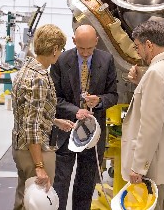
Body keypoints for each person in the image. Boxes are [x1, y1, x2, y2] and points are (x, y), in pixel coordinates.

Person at [123, 20, 164, 210]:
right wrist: (142, 83)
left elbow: (150, 126)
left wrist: (138, 166)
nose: (137, 52)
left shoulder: (155, 73)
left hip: (156, 163)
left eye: (138, 47)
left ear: (149, 45)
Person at [50, 24, 118, 210]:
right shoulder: (61, 61)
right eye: (81, 49)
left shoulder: (107, 60)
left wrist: (99, 101)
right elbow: (54, 98)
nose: (86, 53)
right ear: (74, 41)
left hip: (92, 134)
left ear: (97, 41)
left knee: (85, 184)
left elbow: (113, 95)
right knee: (60, 183)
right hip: (66, 130)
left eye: (90, 48)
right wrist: (75, 111)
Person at [11, 24, 74, 210]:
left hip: (20, 147)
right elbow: (32, 125)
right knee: (39, 204)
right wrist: (39, 165)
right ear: (55, 49)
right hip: (35, 151)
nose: (61, 53)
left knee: (24, 201)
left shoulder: (26, 69)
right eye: (61, 49)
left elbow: (28, 112)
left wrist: (53, 120)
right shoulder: (39, 77)